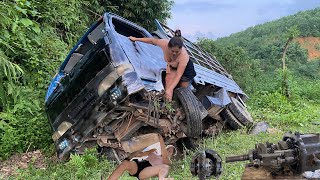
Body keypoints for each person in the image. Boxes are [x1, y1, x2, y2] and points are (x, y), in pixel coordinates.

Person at [129, 30, 196, 101]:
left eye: (177, 52)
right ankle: (168, 103)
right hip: (172, 66)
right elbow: (151, 41)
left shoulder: (184, 56)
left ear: (181, 49)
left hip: (186, 70)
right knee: (168, 88)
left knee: (183, 91)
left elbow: (179, 75)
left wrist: (171, 89)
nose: (174, 53)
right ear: (168, 47)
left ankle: (183, 103)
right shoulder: (164, 43)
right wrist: (136, 39)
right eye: (172, 51)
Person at [107, 134, 176, 180]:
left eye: (170, 151)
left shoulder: (167, 161)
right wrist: (136, 153)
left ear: (171, 155)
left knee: (165, 167)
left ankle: (162, 179)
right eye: (167, 149)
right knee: (124, 164)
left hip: (146, 171)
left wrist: (160, 139)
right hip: (139, 164)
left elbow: (164, 157)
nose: (167, 151)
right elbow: (140, 155)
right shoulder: (154, 151)